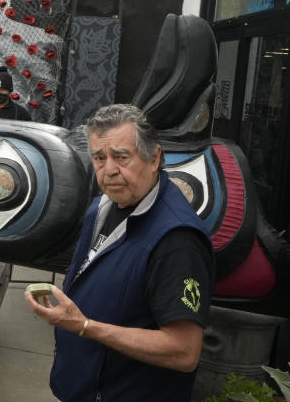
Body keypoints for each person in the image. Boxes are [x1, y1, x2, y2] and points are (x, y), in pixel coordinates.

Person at [24, 104, 214, 402]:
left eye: (121, 157)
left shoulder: (176, 240)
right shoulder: (103, 206)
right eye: (100, 158)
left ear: (154, 158)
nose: (109, 169)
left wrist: (85, 326)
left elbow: (184, 350)